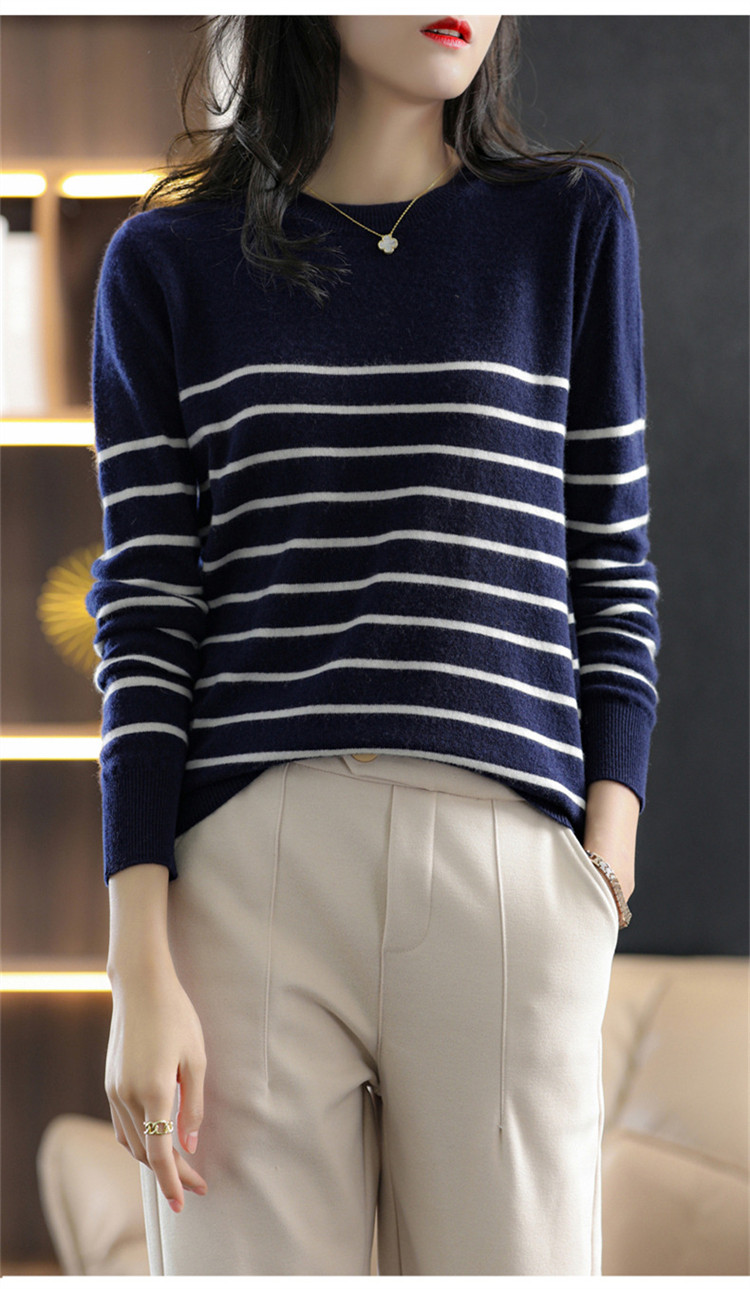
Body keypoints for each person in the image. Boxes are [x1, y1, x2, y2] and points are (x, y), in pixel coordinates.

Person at [86, 14, 660, 1276]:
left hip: (507, 864)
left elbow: (611, 563)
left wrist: (601, 861)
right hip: (248, 877)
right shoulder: (166, 261)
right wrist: (138, 962)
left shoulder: (568, 225)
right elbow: (148, 616)